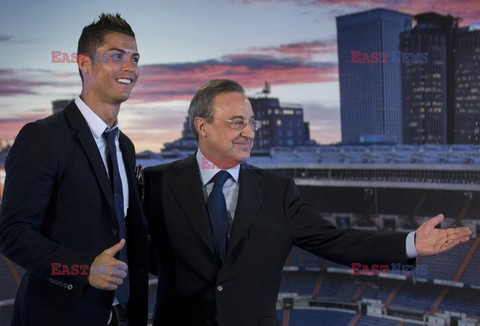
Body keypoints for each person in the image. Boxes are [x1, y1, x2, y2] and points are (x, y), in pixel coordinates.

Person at [143, 79, 472, 326]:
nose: (249, 132)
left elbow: (339, 242)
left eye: (252, 122)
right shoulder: (155, 183)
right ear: (202, 126)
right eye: (236, 122)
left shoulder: (277, 191)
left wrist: (411, 243)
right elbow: (137, 250)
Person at [0, 13, 148, 326]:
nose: (130, 68)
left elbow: (128, 234)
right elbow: (12, 234)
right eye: (116, 56)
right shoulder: (43, 137)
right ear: (84, 63)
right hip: (59, 315)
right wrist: (83, 269)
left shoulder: (125, 147)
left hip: (122, 315)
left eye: (134, 58)